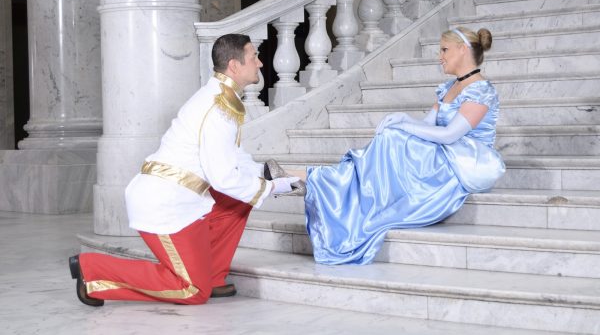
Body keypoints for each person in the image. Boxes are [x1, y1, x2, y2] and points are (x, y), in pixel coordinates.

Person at [68, 34, 299, 306]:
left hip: (180, 196)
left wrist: (268, 173)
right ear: (235, 66)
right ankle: (92, 271)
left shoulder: (221, 97)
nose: (260, 63)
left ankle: (211, 276)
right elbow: (224, 178)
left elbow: (233, 157)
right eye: (253, 57)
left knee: (240, 201)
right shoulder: (217, 106)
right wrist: (274, 187)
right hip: (165, 203)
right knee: (192, 291)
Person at [304, 27, 505, 265]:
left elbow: (451, 134)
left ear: (463, 49)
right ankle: (338, 181)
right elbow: (428, 125)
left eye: (444, 50)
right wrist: (403, 119)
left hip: (470, 159)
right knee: (391, 136)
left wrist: (405, 128)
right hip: (446, 150)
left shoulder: (481, 89)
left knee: (395, 139)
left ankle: (324, 179)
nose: (440, 56)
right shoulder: (450, 87)